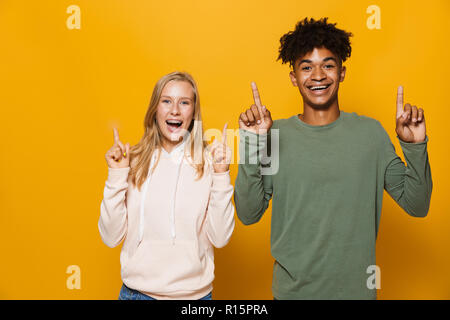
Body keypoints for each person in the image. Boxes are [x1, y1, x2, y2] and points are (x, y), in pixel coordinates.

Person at [234, 17, 432, 299]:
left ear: (342, 72)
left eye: (328, 65)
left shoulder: (371, 134)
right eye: (306, 67)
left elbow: (418, 204)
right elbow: (248, 213)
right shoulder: (273, 134)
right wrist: (253, 142)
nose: (318, 76)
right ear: (293, 77)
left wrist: (415, 145)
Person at [99, 71, 235, 300]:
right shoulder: (132, 161)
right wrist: (116, 175)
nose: (175, 110)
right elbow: (111, 237)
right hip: (137, 295)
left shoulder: (209, 163)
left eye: (184, 102)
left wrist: (222, 175)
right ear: (155, 109)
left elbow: (221, 238)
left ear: (193, 112)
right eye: (166, 101)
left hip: (195, 298)